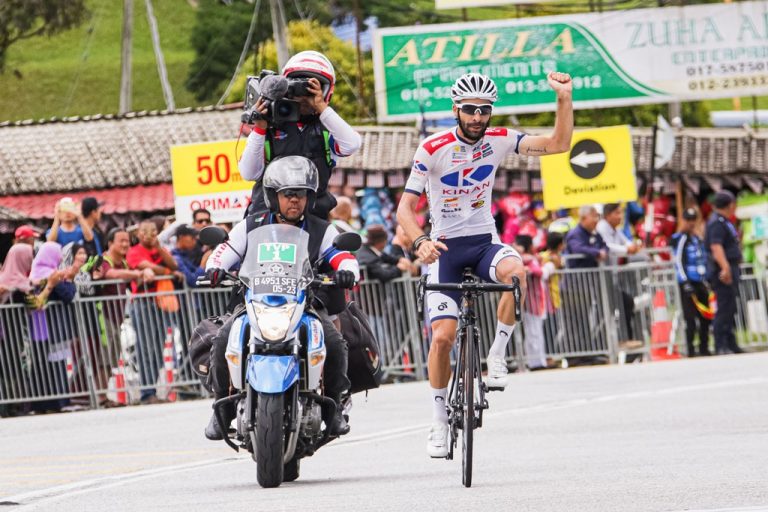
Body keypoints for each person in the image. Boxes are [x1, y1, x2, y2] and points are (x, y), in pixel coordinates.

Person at [396, 70, 573, 457]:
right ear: (455, 109)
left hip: (483, 243)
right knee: (442, 338)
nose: (477, 117)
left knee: (517, 273)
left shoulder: (500, 139)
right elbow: (405, 209)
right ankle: (438, 420)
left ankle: (496, 355)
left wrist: (563, 98)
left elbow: (559, 144)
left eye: (484, 110)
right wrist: (421, 241)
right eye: (470, 109)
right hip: (444, 249)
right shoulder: (432, 147)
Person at [204, 156, 359, 440]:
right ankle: (221, 410)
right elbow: (225, 250)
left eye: (301, 194)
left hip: (303, 304)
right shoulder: (250, 225)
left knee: (335, 342)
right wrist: (214, 268)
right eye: (288, 194)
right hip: (254, 303)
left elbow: (342, 255)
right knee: (223, 338)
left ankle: (333, 409)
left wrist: (348, 271)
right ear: (273, 196)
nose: (295, 200)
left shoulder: (321, 229)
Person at [239, 51, 362, 219]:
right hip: (268, 219)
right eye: (296, 87)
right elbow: (249, 173)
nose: (303, 96)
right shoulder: (269, 123)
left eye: (311, 88)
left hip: (313, 220)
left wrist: (321, 107)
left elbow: (352, 144)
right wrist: (260, 129)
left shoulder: (328, 128)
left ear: (327, 92)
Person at [126, 221, 181, 404]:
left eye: (153, 231)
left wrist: (159, 248)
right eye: (145, 231)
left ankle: (153, 390)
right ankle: (146, 392)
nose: (149, 234)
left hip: (160, 304)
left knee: (158, 348)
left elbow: (174, 265)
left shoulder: (160, 249)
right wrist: (167, 272)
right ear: (138, 234)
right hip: (143, 303)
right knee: (145, 348)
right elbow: (145, 265)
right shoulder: (134, 251)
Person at [704, 190, 743, 355]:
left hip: (730, 266)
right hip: (722, 270)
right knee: (724, 307)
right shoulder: (716, 223)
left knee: (730, 307)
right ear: (730, 205)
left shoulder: (724, 221)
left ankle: (731, 342)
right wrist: (725, 267)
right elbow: (716, 247)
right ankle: (720, 344)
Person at [672, 208, 712, 357]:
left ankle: (704, 347)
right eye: (688, 220)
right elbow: (678, 261)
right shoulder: (681, 238)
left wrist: (707, 279)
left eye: (693, 220)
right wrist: (685, 282)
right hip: (688, 284)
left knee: (705, 317)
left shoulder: (698, 239)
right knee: (690, 319)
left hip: (700, 282)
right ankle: (690, 349)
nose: (691, 223)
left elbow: (704, 259)